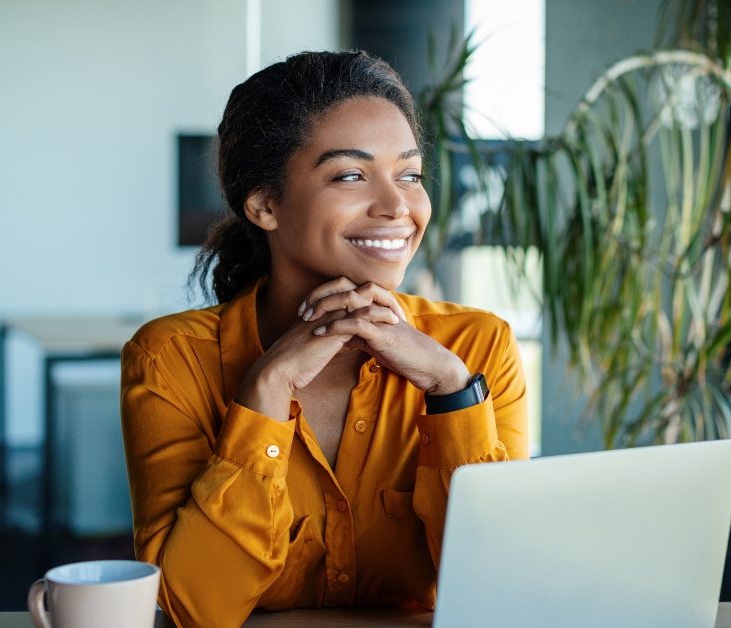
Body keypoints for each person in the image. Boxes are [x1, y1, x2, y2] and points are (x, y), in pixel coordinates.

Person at [121, 50, 528, 628]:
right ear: (264, 204)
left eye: (409, 175)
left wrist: (451, 391)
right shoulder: (169, 359)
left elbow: (508, 590)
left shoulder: (476, 349)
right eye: (351, 175)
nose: (397, 207)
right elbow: (191, 609)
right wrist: (264, 391)